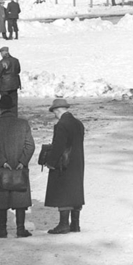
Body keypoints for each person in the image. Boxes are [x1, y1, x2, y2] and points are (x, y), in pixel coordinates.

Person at [0, 96, 35, 238]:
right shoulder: (23, 124)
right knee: (20, 196)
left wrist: (2, 162)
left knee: (1, 196)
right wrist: (22, 161)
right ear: (13, 108)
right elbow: (30, 146)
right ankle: (20, 229)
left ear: (1, 109)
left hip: (1, 168)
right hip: (19, 167)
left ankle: (2, 229)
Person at [43, 98, 85, 235]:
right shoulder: (78, 123)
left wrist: (51, 162)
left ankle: (63, 225)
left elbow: (58, 146)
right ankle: (75, 224)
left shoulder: (61, 124)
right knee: (75, 191)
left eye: (54, 112)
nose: (54, 114)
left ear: (57, 110)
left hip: (64, 164)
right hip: (77, 163)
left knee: (63, 192)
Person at [0, 46, 22, 110]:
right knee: (14, 101)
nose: (1, 55)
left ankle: (5, 114)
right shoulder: (16, 60)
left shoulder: (2, 62)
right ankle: (14, 114)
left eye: (1, 53)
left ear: (4, 53)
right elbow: (18, 71)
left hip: (4, 85)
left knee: (5, 102)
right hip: (14, 84)